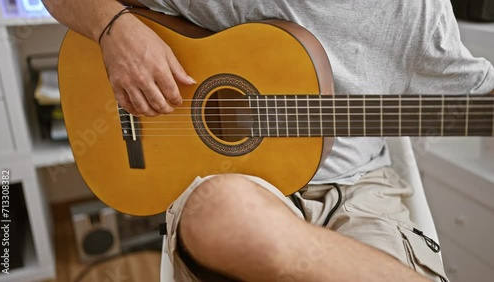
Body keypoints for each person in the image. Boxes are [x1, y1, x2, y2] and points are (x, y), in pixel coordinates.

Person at [43, 0, 494, 281]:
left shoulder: (410, 11)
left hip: (359, 191)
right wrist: (113, 28)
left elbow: (478, 97)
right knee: (222, 210)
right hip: (230, 188)